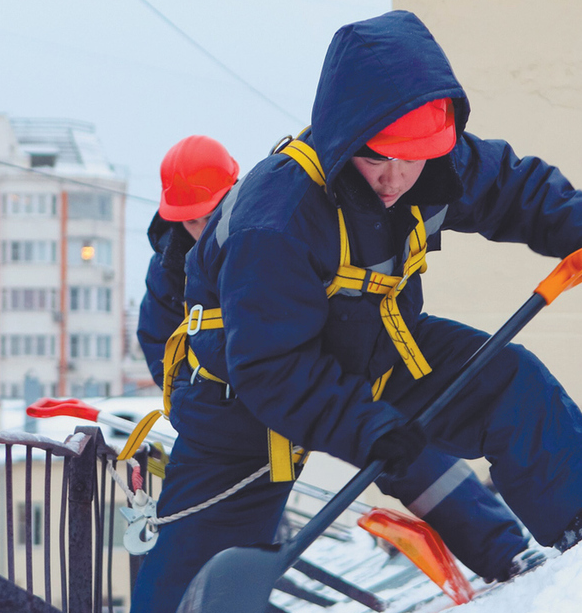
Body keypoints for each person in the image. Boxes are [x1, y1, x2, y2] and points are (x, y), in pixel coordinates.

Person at [123, 9, 582, 613]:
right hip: (239, 397)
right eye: (376, 160)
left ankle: (574, 534)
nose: (395, 179)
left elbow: (511, 186)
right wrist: (366, 427)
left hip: (375, 349)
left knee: (502, 381)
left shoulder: (434, 163)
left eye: (411, 159)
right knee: (194, 559)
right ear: (342, 141)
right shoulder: (280, 214)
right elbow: (272, 370)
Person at [137, 135, 534, 582]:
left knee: (406, 450)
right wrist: (228, 396)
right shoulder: (168, 272)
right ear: (173, 217)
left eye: (211, 212)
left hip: (317, 380)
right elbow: (162, 350)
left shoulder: (269, 227)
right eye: (191, 220)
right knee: (220, 526)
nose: (203, 225)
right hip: (242, 413)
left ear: (235, 188)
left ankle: (505, 553)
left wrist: (317, 381)